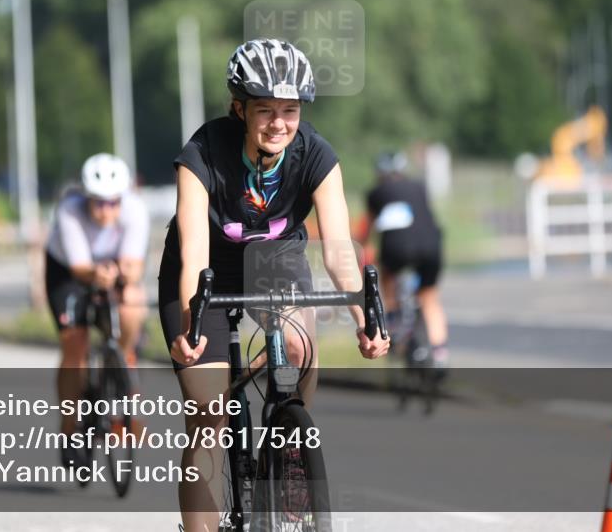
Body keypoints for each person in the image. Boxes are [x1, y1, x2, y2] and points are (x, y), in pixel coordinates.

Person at [158, 38, 389, 531]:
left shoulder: (317, 156)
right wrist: (191, 319)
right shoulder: (202, 153)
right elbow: (195, 248)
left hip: (276, 261)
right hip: (207, 273)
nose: (279, 123)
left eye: (290, 110)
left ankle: (285, 452)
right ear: (239, 109)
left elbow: (339, 248)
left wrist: (364, 319)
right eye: (265, 110)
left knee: (300, 350)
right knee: (207, 415)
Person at [43, 153, 149, 466]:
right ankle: (68, 429)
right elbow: (79, 268)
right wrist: (97, 275)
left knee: (133, 302)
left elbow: (134, 265)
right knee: (74, 345)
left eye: (113, 203)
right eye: (99, 203)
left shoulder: (136, 209)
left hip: (112, 268)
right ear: (87, 198)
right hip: (68, 272)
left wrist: (124, 275)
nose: (106, 210)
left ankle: (122, 360)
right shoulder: (69, 210)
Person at [363, 151, 449, 368]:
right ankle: (440, 355)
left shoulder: (376, 193)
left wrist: (361, 250)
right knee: (429, 298)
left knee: (386, 276)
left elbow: (367, 232)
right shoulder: (419, 186)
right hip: (431, 246)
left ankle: (391, 323)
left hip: (396, 249)